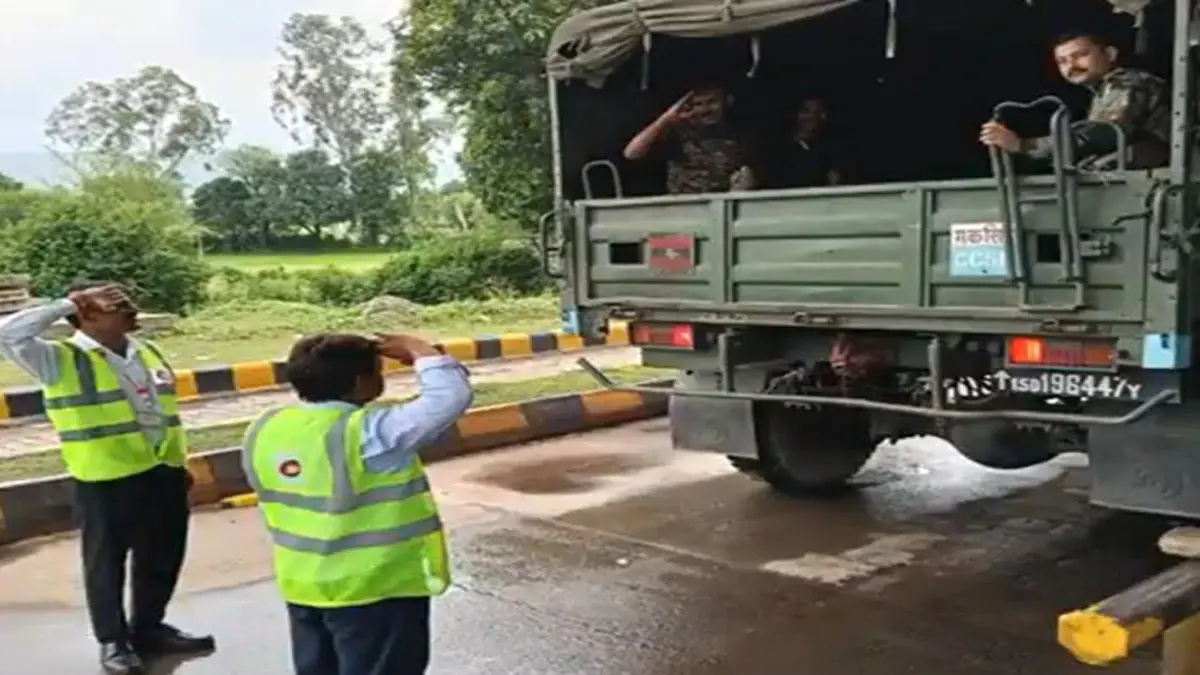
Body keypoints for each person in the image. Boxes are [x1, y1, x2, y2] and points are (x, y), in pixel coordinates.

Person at [0, 281, 214, 675]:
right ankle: (113, 641)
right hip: (105, 478)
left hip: (161, 470)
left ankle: (148, 629)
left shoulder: (145, 351)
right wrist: (68, 301)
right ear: (86, 313)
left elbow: (159, 411)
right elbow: (7, 333)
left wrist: (176, 462)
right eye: (114, 303)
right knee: (106, 564)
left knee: (162, 556)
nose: (130, 307)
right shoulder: (58, 358)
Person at [240, 331, 473, 675]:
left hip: (305, 586)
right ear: (362, 381)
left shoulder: (266, 427)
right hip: (374, 588)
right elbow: (449, 397)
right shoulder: (370, 434)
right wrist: (421, 352)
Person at [980, 30, 1170, 170]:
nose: (1071, 66)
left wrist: (1023, 145)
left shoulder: (1128, 82)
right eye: (1062, 61)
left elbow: (1104, 134)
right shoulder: (1103, 89)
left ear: (1110, 54)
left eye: (1081, 55)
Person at [623, 84, 757, 193]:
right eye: (698, 104)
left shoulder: (742, 133)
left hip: (725, 207)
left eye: (711, 102)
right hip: (685, 208)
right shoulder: (679, 132)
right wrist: (667, 118)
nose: (705, 110)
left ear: (727, 101)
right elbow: (631, 153)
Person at [760, 96, 841, 189]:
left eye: (818, 112)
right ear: (795, 115)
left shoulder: (829, 151)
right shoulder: (779, 153)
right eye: (807, 111)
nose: (812, 116)